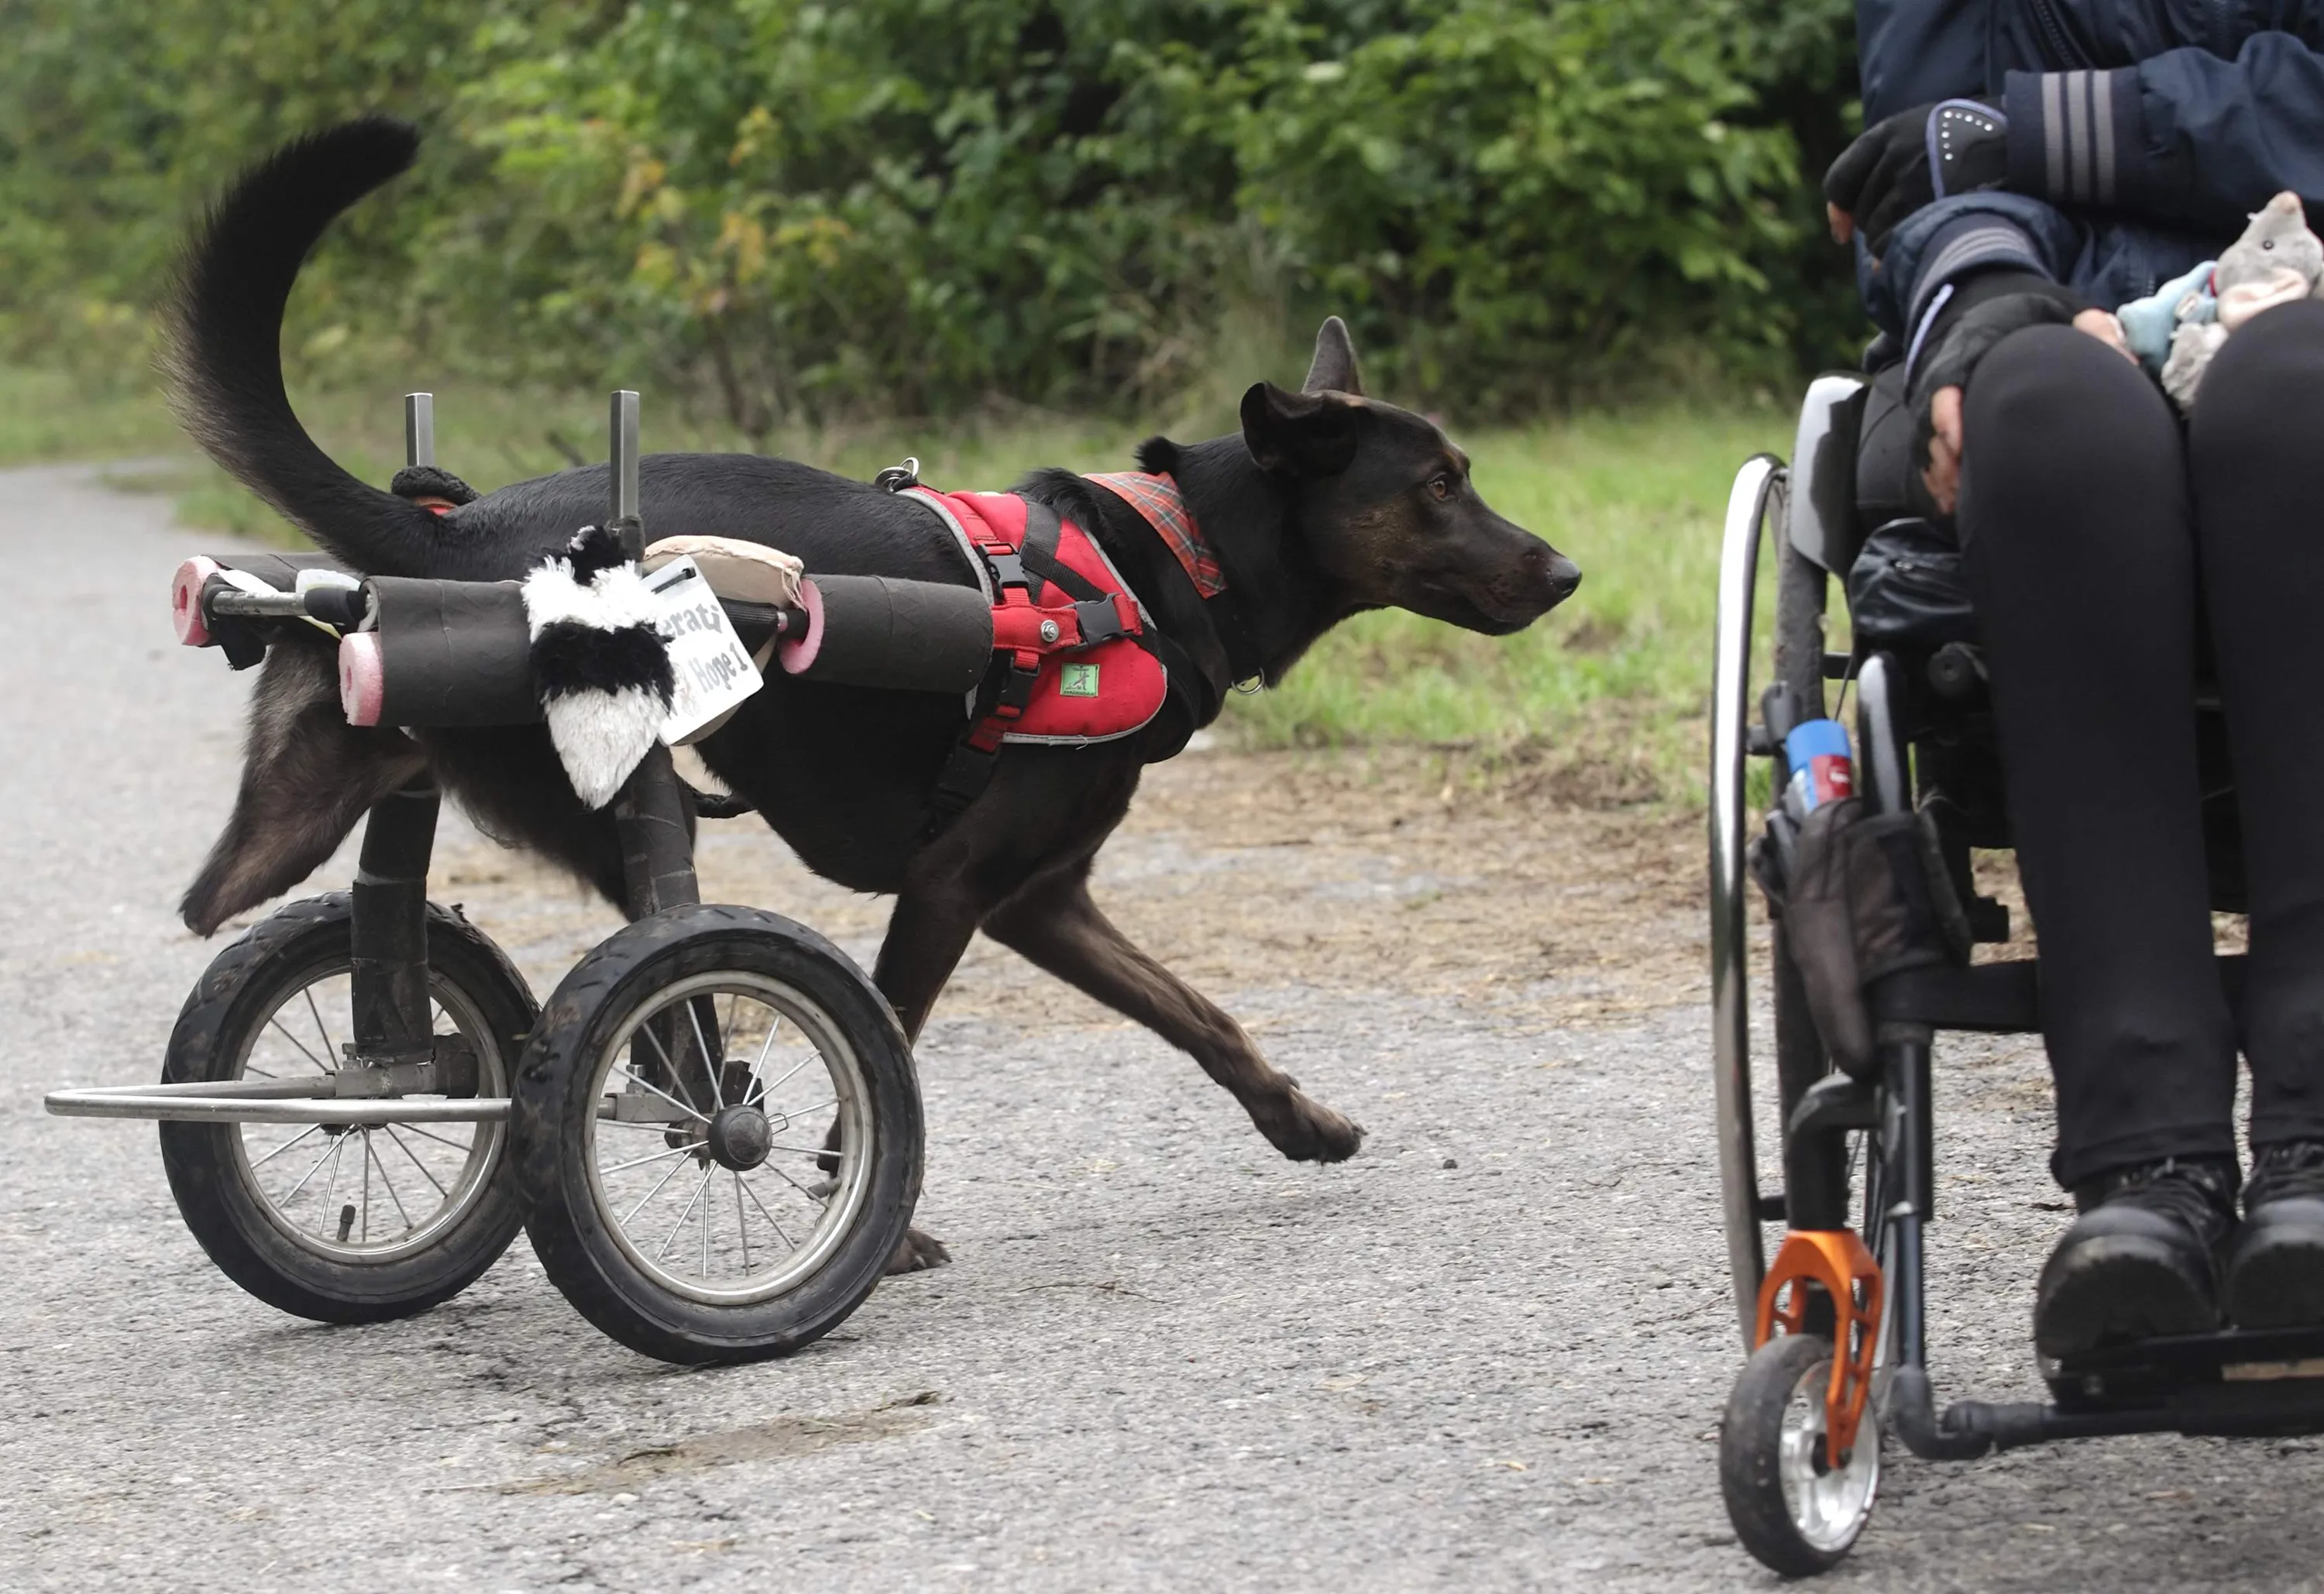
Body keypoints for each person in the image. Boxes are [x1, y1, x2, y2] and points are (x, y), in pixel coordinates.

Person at [1824, 2, 2324, 1358]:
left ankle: (2316, 1143)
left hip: (2313, 286)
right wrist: (1990, 300)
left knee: (2294, 399)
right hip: (2060, 317)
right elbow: (1918, 164)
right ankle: (2144, 1166)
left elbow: (1987, 132)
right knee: (2039, 412)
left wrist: (2052, 125)